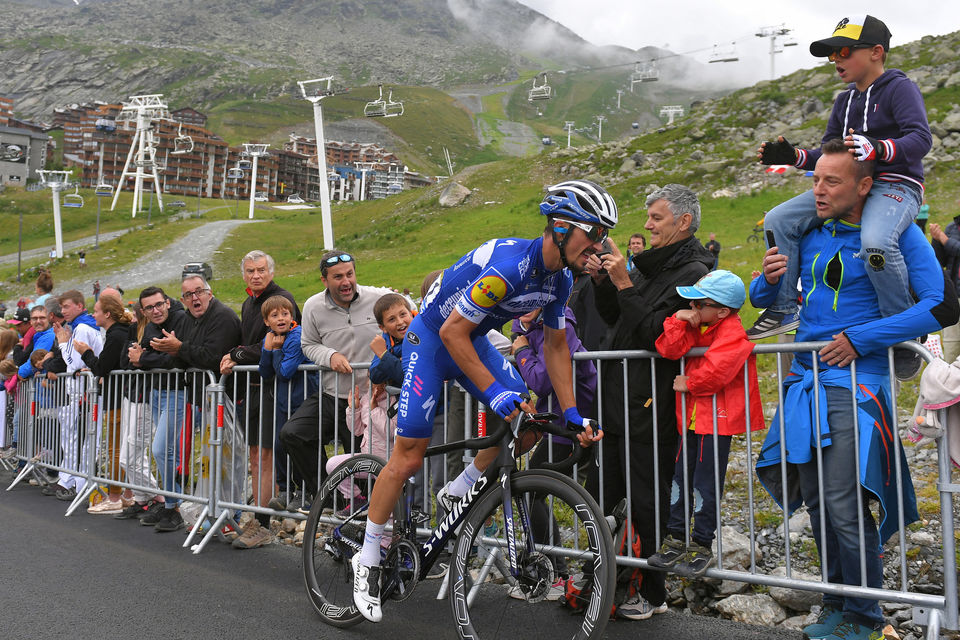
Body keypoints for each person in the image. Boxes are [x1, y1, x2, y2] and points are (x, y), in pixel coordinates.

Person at [352, 179, 612, 623]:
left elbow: (555, 346)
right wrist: (494, 392)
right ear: (562, 228)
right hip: (432, 341)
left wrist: (571, 413)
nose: (599, 247)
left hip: (471, 339)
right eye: (595, 235)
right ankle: (369, 554)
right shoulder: (511, 265)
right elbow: (451, 332)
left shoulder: (560, 277)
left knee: (527, 423)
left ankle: (459, 488)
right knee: (409, 455)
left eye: (603, 237)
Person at [751, 140, 958, 640]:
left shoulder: (899, 235)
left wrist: (858, 338)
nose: (818, 190)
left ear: (865, 186)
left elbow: (941, 306)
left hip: (858, 384)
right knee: (820, 504)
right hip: (804, 379)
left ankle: (867, 618)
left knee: (844, 504)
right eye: (815, 180)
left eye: (831, 181)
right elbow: (777, 298)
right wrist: (765, 283)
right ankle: (835, 607)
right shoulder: (812, 230)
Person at [752, 15, 932, 357]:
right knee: (778, 219)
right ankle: (785, 307)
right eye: (831, 54)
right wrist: (794, 156)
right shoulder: (843, 100)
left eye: (844, 51)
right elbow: (830, 154)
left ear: (877, 52)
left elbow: (921, 138)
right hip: (849, 186)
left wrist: (879, 149)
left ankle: (902, 330)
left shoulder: (900, 87)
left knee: (876, 243)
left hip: (896, 185)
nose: (835, 60)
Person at [587, 183, 715, 621]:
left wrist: (623, 281)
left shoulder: (695, 272)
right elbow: (616, 317)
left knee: (648, 499)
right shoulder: (648, 265)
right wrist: (605, 283)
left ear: (683, 222)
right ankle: (605, 581)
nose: (646, 225)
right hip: (618, 397)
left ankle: (653, 592)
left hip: (652, 403)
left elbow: (658, 336)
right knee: (604, 494)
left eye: (656, 218)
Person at [648, 270, 765, 578]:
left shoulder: (732, 331)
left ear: (723, 311)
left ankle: (701, 543)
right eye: (694, 302)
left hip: (717, 422)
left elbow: (718, 369)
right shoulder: (699, 325)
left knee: (704, 484)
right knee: (679, 478)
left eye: (701, 303)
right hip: (691, 421)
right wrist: (679, 318)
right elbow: (668, 348)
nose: (695, 307)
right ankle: (675, 537)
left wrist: (690, 383)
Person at [278, 251, 392, 509]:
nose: (346, 281)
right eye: (338, 276)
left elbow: (404, 317)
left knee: (363, 462)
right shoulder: (313, 306)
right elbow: (308, 344)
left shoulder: (377, 298)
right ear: (324, 280)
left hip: (367, 400)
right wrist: (330, 356)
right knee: (292, 434)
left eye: (349, 274)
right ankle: (329, 498)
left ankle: (366, 516)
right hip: (331, 393)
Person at [220, 250, 300, 549]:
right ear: (244, 275)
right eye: (250, 270)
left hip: (272, 387)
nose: (256, 275)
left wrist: (237, 354)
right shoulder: (248, 302)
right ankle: (257, 517)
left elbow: (278, 340)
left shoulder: (283, 299)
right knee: (255, 455)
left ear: (271, 271)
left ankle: (264, 524)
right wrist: (240, 353)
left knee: (265, 455)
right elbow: (255, 343)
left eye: (261, 270)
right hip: (251, 388)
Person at [149, 275, 242, 531]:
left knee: (227, 459)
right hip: (206, 399)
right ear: (182, 300)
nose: (194, 298)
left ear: (209, 293)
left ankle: (230, 515)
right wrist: (169, 350)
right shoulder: (190, 319)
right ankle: (212, 512)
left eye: (199, 292)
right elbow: (185, 359)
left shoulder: (222, 316)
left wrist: (179, 348)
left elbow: (212, 358)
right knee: (209, 460)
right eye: (188, 295)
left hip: (229, 398)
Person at [73, 295, 134, 514]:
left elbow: (103, 367)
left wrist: (85, 352)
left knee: (116, 449)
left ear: (107, 314)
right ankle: (127, 494)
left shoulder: (116, 334)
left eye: (96, 310)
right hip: (120, 397)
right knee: (122, 448)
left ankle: (116, 496)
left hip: (117, 399)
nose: (92, 314)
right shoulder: (118, 332)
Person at [43, 290, 104, 501]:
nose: (63, 311)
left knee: (83, 439)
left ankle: (80, 484)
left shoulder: (84, 327)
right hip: (79, 391)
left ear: (79, 306)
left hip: (84, 391)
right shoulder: (80, 326)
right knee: (74, 438)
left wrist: (61, 342)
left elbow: (74, 363)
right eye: (62, 308)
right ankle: (70, 480)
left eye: (67, 306)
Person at [930, 216, 960, 362]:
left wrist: (944, 239)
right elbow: (939, 260)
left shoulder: (946, 235)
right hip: (955, 295)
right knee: (952, 346)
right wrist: (936, 239)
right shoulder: (951, 228)